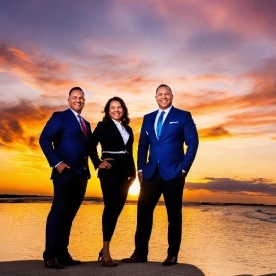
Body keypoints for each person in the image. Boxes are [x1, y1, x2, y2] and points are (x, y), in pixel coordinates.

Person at [122, 84, 199, 266]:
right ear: (155, 97)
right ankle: (140, 253)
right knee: (143, 213)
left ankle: (172, 254)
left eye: (166, 94)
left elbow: (193, 142)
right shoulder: (148, 118)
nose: (163, 97)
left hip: (173, 173)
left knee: (174, 215)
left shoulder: (183, 116)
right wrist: (141, 168)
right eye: (160, 94)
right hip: (150, 173)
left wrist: (184, 168)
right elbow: (142, 145)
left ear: (172, 96)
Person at [39, 87, 91, 269]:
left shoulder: (86, 124)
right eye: (74, 97)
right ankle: (50, 255)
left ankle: (62, 253)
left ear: (84, 100)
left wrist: (94, 165)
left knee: (69, 215)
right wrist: (57, 163)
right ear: (69, 100)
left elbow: (87, 149)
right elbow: (44, 139)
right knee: (58, 212)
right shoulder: (60, 117)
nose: (78, 100)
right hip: (65, 173)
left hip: (81, 175)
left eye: (81, 98)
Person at [88, 97, 136, 267]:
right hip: (108, 171)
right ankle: (107, 251)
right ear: (108, 111)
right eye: (112, 107)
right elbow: (90, 145)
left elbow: (130, 152)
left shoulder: (129, 129)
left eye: (119, 107)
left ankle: (103, 248)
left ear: (124, 109)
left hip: (125, 174)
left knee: (116, 210)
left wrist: (133, 173)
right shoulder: (103, 127)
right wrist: (97, 163)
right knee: (110, 208)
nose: (116, 110)